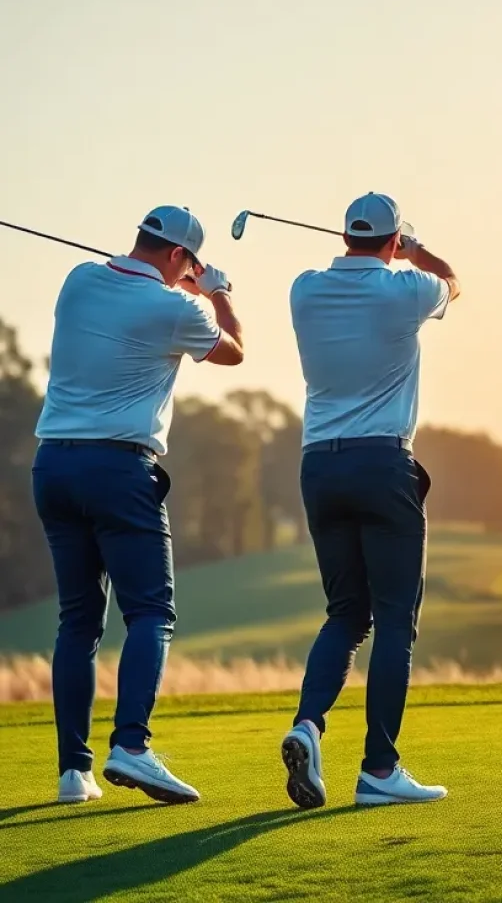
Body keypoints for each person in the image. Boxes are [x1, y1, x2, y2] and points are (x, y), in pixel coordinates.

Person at [33, 206, 243, 805]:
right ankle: (132, 744)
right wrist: (217, 292)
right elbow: (234, 351)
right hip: (118, 469)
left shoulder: (77, 281)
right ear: (181, 258)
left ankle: (75, 772)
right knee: (152, 612)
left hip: (52, 464)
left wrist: (176, 280)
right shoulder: (177, 308)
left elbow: (121, 283)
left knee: (78, 620)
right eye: (188, 265)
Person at [282, 192, 459, 809]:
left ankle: (307, 725)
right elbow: (452, 283)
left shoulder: (304, 289)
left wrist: (388, 249)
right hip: (382, 464)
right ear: (390, 242)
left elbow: (352, 268)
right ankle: (379, 769)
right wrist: (415, 250)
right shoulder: (403, 290)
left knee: (345, 614)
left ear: (344, 236)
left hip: (319, 467)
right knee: (393, 624)